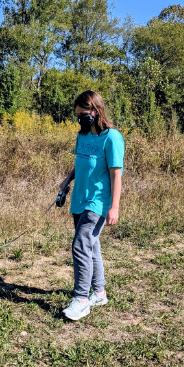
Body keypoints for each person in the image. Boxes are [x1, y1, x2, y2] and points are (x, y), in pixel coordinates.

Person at [56, 90, 125, 321]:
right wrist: (66, 182)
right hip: (79, 199)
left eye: (83, 114)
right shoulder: (83, 136)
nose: (80, 118)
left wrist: (114, 207)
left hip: (98, 201)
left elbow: (117, 175)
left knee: (80, 244)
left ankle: (82, 300)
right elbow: (81, 163)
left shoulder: (112, 138)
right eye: (77, 115)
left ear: (96, 111)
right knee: (91, 247)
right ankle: (99, 293)